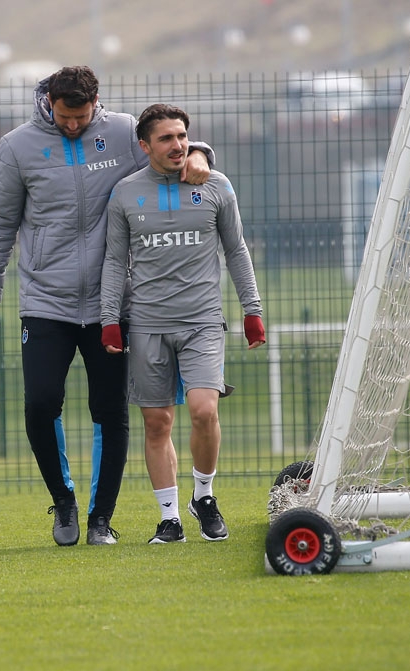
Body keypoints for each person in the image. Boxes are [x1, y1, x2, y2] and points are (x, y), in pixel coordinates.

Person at [0, 67, 215, 546]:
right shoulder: (17, 146)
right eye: (64, 116)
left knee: (110, 412)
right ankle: (64, 502)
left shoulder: (124, 132)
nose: (73, 126)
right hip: (46, 300)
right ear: (49, 103)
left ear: (96, 103)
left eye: (81, 116)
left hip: (113, 302)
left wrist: (204, 154)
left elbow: (173, 145)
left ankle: (101, 518)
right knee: (40, 403)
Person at [100, 103, 265, 545]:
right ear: (144, 146)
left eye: (182, 137)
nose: (177, 145)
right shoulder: (125, 193)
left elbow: (237, 250)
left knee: (204, 410)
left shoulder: (215, 185)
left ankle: (204, 497)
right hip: (147, 324)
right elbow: (115, 261)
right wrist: (109, 319)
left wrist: (253, 310)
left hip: (202, 321)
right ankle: (169, 519)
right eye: (165, 139)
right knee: (157, 423)